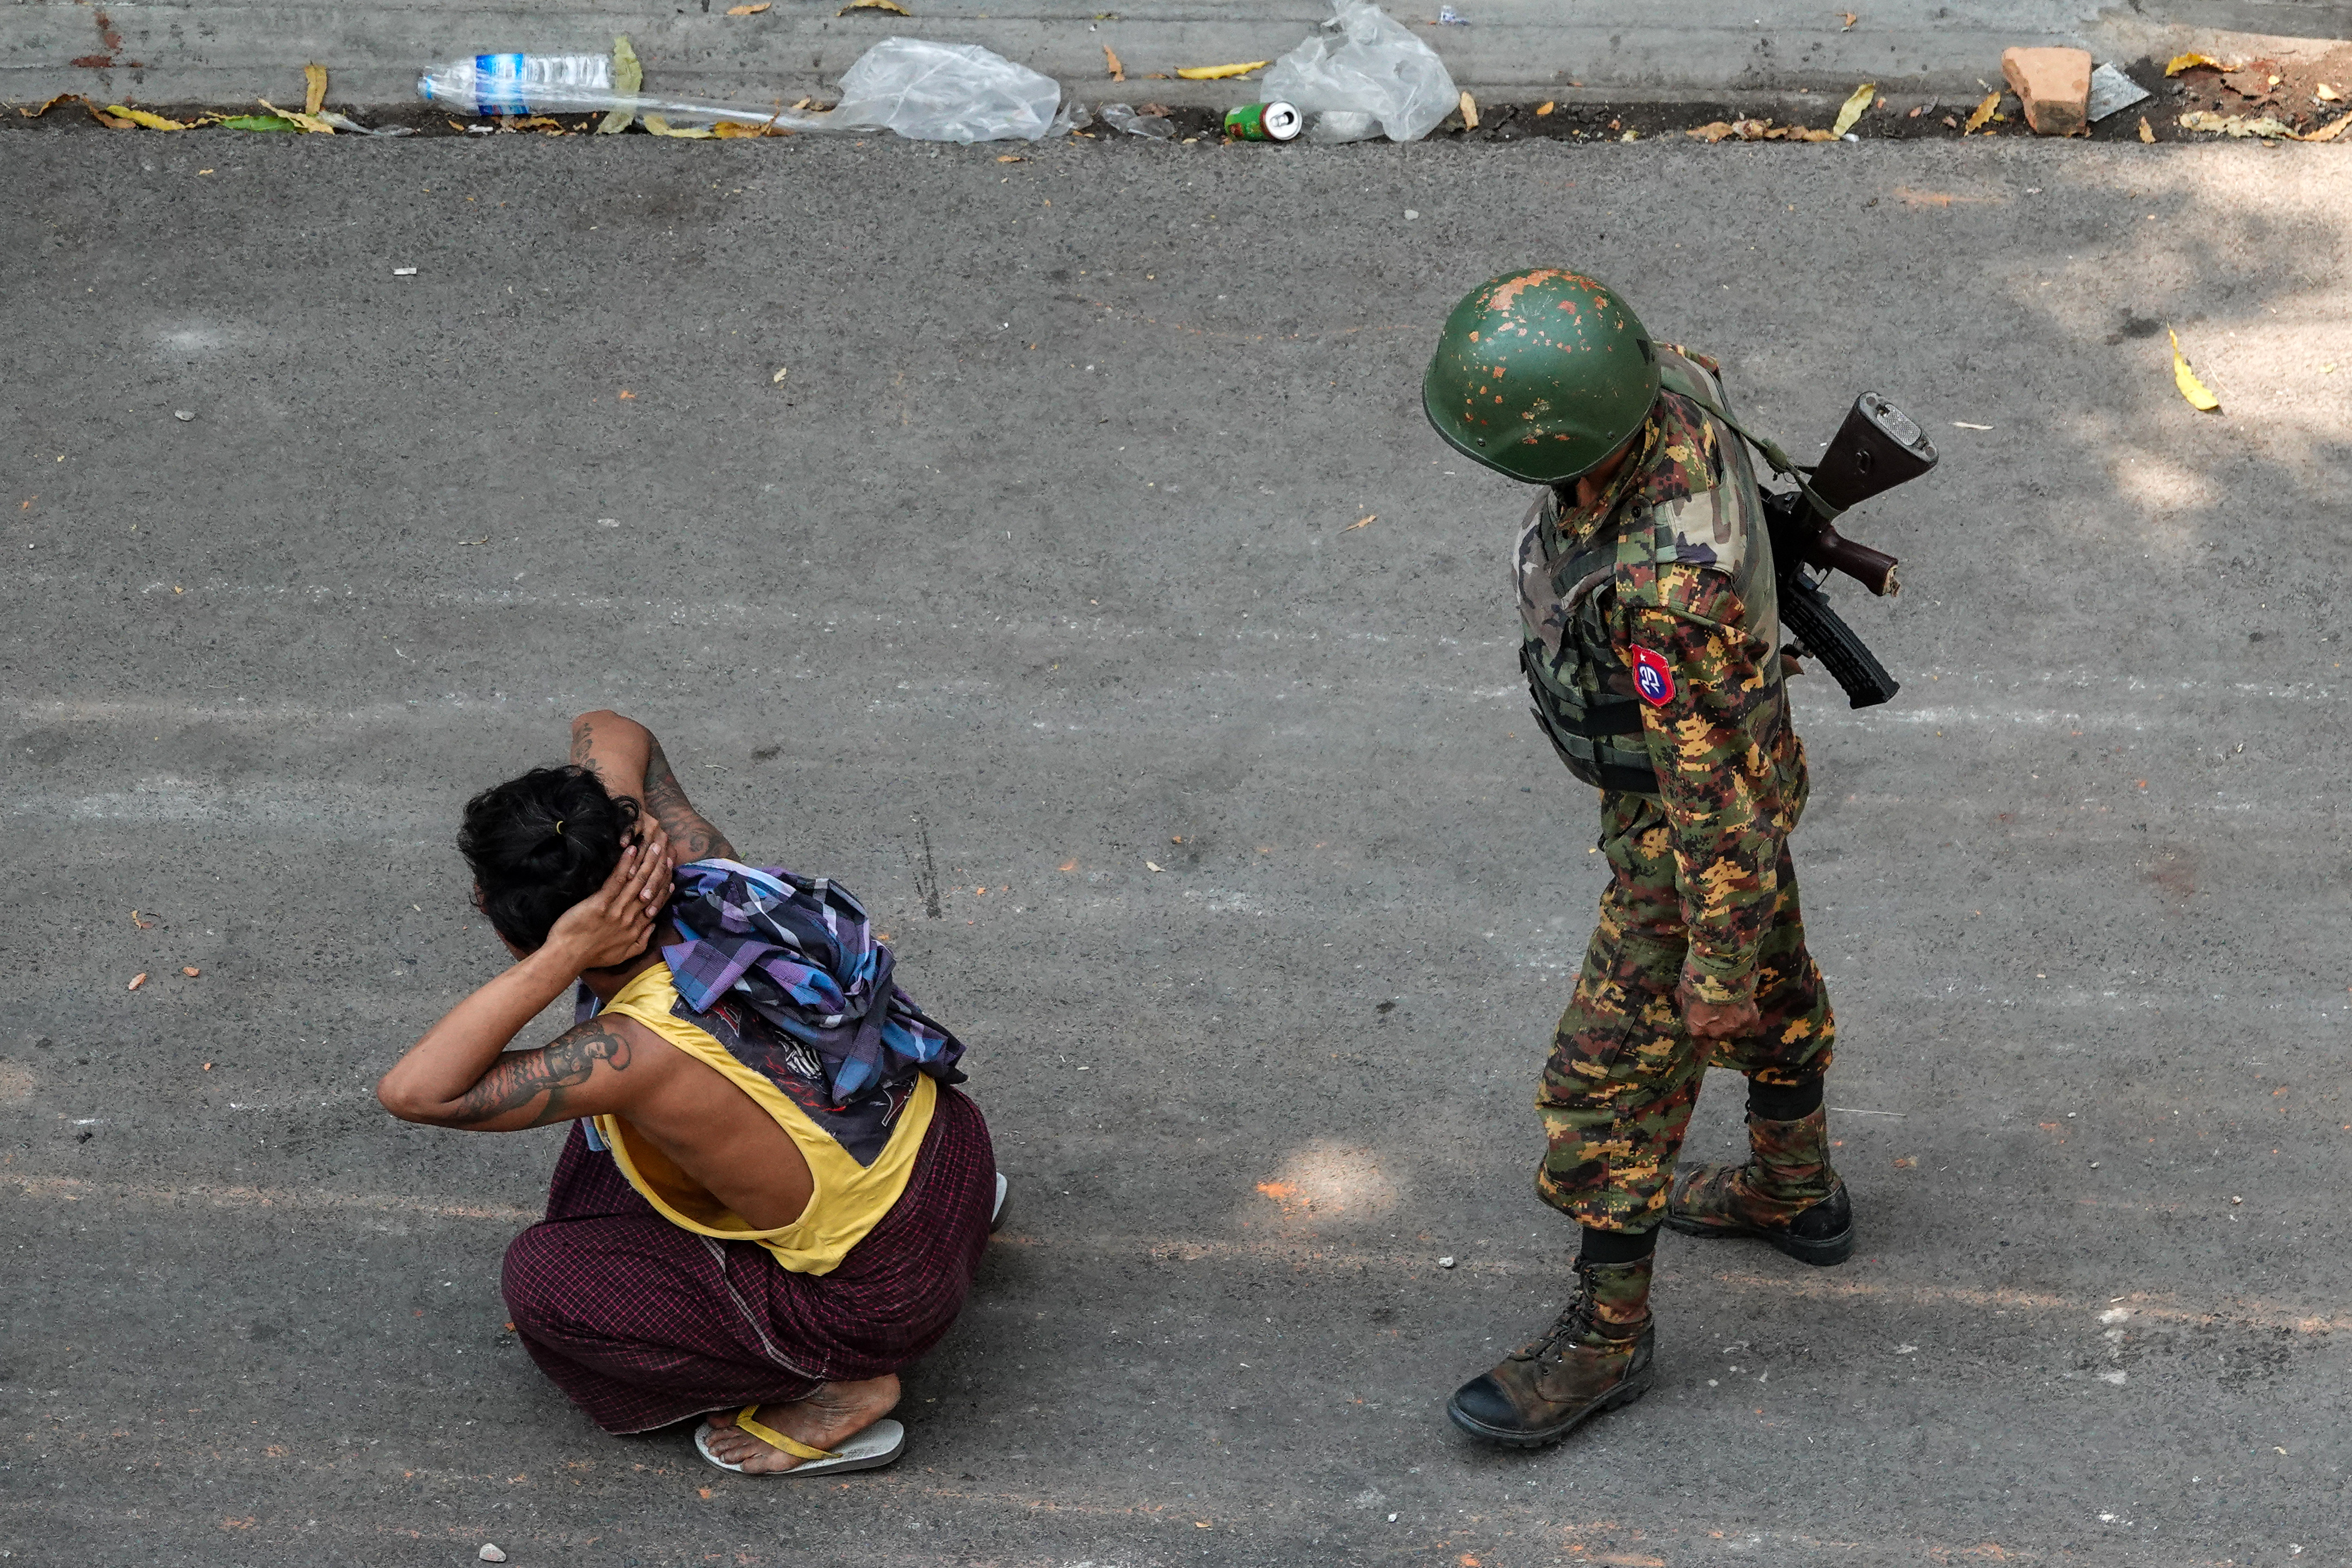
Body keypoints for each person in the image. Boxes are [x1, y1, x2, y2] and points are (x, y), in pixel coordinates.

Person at [1421, 270, 1852, 1448]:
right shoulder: (1659, 379)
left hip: (1688, 829)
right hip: (1737, 771)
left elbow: (1710, 807)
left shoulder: (1669, 596)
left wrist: (1708, 962)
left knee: (1605, 1087)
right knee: (1771, 971)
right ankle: (1792, 1186)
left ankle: (1605, 1341)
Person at [376, 711, 999, 1476]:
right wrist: (623, 828)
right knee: (609, 1140)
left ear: (516, 932)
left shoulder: (635, 1053)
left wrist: (564, 955)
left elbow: (417, 1092)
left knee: (546, 1279)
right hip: (955, 1154)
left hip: (890, 1295)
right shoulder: (715, 877)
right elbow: (608, 726)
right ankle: (960, 1223)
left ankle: (845, 1387)